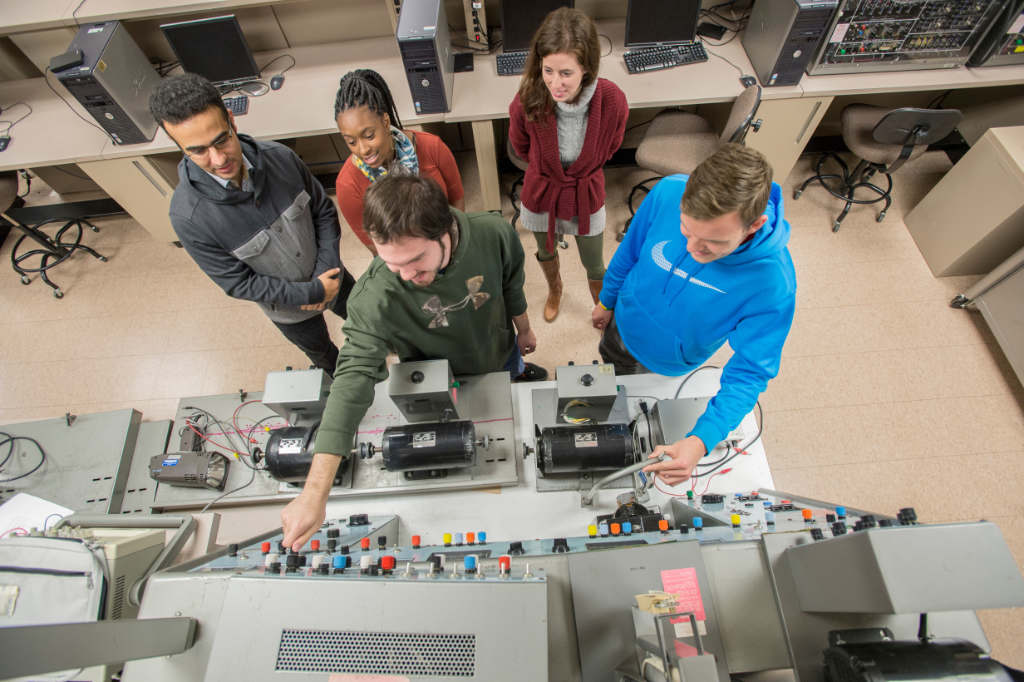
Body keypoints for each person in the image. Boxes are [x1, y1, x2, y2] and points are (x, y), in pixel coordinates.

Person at [281, 175, 547, 550]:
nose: (406, 275)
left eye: (415, 261)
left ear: (445, 232)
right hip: (438, 383)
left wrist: (524, 331)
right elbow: (352, 377)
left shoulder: (492, 233)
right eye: (391, 263)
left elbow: (511, 286)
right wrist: (315, 492)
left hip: (499, 351)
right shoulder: (377, 293)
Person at [591, 143, 796, 485]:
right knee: (608, 369)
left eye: (713, 243)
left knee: (641, 401)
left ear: (754, 225)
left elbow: (748, 375)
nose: (692, 249)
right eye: (686, 231)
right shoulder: (669, 192)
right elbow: (630, 252)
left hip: (668, 362)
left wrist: (701, 440)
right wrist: (607, 301)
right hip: (621, 325)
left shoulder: (772, 284)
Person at [150, 73, 355, 373]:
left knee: (372, 320)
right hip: (289, 312)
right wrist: (309, 293)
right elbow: (238, 282)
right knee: (325, 356)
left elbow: (322, 210)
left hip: (332, 274)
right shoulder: (188, 218)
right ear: (180, 148)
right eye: (198, 151)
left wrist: (326, 270)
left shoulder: (281, 158)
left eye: (221, 140)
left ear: (232, 121)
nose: (219, 159)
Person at [509, 6, 628, 322]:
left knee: (594, 262)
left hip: (585, 192)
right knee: (545, 251)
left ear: (587, 68)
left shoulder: (612, 100)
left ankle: (601, 307)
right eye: (548, 70)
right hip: (541, 191)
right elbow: (521, 147)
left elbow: (611, 146)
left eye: (566, 73)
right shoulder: (527, 98)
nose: (555, 83)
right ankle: (555, 288)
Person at [334, 69, 465, 256]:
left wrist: (452, 249)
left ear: (386, 122)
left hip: (448, 245)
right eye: (351, 142)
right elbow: (374, 246)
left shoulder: (431, 147)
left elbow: (457, 199)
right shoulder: (348, 185)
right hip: (403, 262)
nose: (363, 150)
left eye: (369, 136)